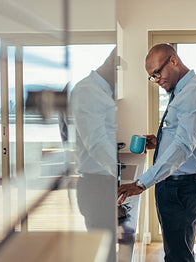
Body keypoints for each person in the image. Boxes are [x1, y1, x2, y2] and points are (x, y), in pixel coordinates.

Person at [117, 44, 196, 262]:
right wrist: (159, 141)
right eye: (152, 77)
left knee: (178, 257)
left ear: (173, 61)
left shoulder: (194, 92)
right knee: (177, 252)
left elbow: (183, 145)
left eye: (157, 73)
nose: (157, 80)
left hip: (181, 189)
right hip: (174, 186)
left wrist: (141, 183)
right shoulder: (183, 91)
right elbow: (182, 134)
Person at [69, 48, 117, 262]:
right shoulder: (87, 90)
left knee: (107, 254)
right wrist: (123, 176)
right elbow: (96, 143)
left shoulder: (103, 91)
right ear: (112, 63)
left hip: (103, 185)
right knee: (103, 255)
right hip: (97, 187)